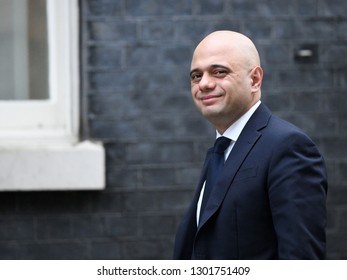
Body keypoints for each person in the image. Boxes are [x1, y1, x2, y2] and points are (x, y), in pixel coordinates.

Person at [173, 30, 328, 260]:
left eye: (219, 72)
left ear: (254, 79)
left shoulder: (288, 147)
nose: (204, 83)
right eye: (196, 76)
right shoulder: (221, 150)